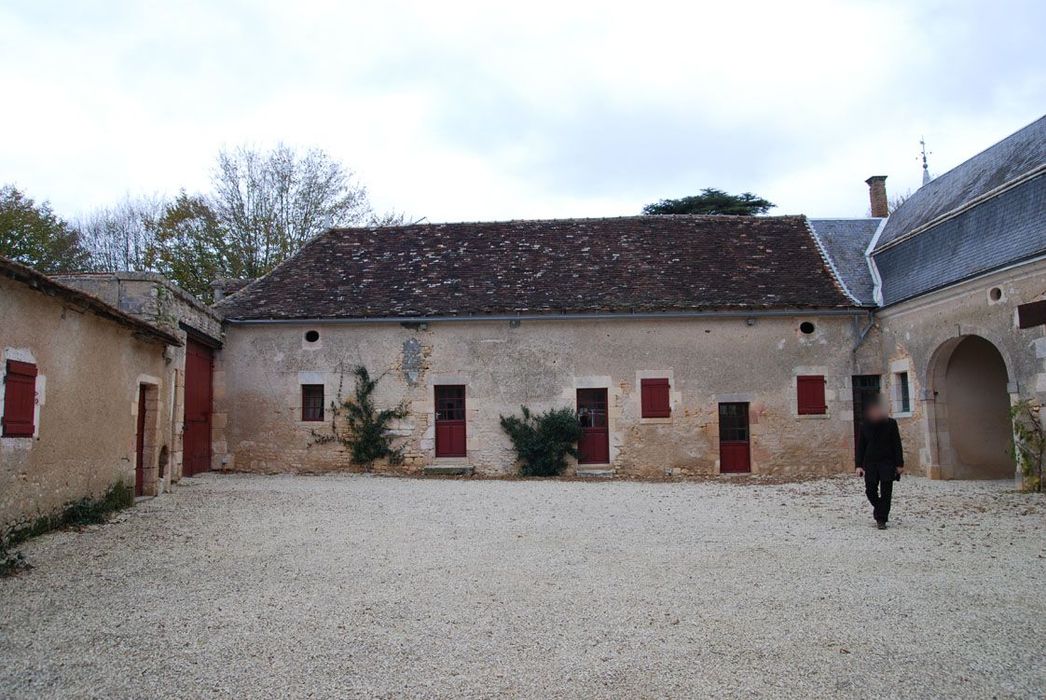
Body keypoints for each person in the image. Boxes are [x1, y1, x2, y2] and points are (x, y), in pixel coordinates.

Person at [855, 395, 904, 529]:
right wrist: (858, 465)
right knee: (870, 491)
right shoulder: (864, 425)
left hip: (887, 462)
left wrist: (900, 464)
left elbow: (897, 444)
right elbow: (861, 446)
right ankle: (881, 509)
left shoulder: (891, 424)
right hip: (870, 463)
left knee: (886, 491)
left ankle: (881, 519)